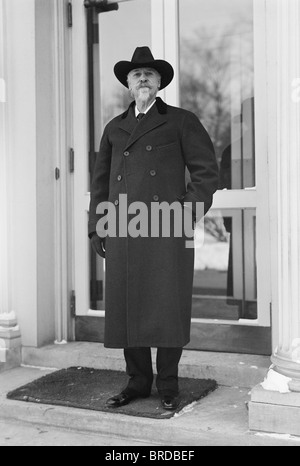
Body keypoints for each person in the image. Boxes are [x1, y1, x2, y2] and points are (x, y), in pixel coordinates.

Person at [89, 47, 219, 410]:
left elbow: (206, 173)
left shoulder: (181, 120)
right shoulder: (114, 128)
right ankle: (137, 382)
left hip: (165, 227)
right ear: (128, 84)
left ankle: (169, 385)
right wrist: (97, 226)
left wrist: (184, 213)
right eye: (136, 74)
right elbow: (100, 182)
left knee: (166, 306)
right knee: (129, 306)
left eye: (149, 73)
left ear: (159, 82)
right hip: (122, 227)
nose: (142, 78)